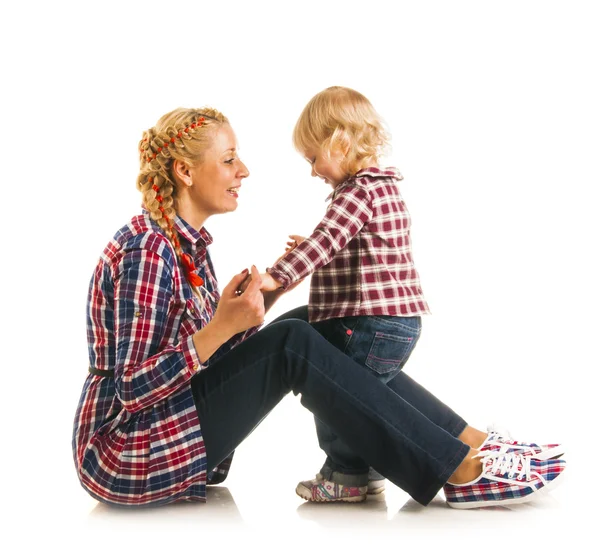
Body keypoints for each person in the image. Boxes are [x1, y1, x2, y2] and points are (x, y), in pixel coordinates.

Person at [72, 106, 565, 510]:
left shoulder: (184, 247)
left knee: (315, 322)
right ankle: (456, 470)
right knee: (294, 342)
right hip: (129, 450)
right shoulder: (148, 252)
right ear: (185, 171)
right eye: (229, 160)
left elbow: (211, 362)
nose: (243, 171)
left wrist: (260, 305)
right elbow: (131, 390)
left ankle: (471, 441)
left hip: (168, 427)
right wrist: (219, 328)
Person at [255, 86, 564, 501]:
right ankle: (453, 450)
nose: (312, 170)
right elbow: (355, 251)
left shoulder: (356, 192)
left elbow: (328, 240)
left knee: (336, 395)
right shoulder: (382, 187)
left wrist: (278, 275)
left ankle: (345, 475)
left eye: (313, 158)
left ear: (340, 142)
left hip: (369, 323)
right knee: (366, 391)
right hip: (395, 323)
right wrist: (313, 249)